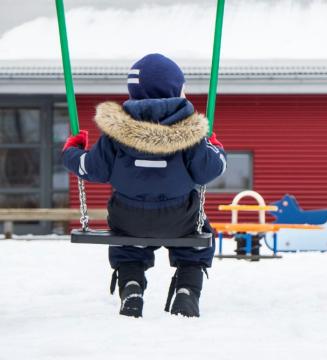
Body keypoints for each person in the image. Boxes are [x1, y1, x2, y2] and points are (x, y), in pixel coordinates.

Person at [62, 53, 226, 318]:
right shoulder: (191, 133)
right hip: (180, 218)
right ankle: (187, 292)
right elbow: (210, 170)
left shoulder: (116, 133)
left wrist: (72, 150)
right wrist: (215, 147)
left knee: (127, 247)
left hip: (129, 217)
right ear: (175, 90)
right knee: (198, 240)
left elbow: (90, 168)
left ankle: (132, 288)